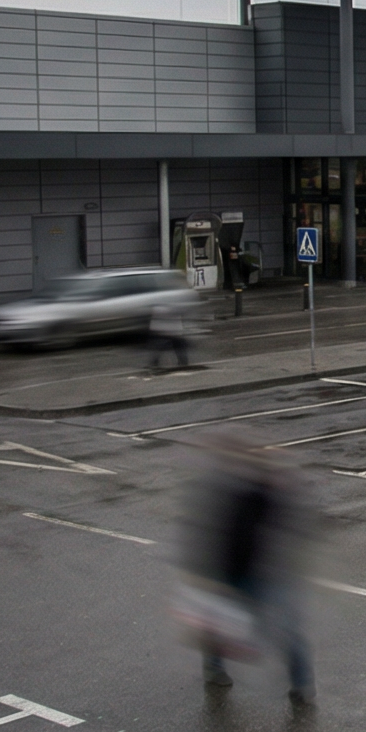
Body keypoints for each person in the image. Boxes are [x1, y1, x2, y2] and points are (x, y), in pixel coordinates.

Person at [181, 431, 314, 704]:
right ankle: (301, 685)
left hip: (252, 572)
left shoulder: (253, 489)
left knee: (275, 629)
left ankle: (300, 684)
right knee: (282, 630)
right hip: (247, 572)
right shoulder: (239, 488)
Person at [146, 294, 200, 370]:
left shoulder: (160, 302)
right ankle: (183, 363)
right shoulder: (170, 301)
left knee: (164, 346)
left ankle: (155, 364)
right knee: (175, 346)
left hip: (168, 329)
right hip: (169, 329)